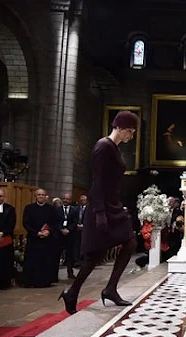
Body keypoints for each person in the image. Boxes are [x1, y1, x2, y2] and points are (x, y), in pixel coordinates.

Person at [59, 111, 139, 314]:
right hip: (101, 207)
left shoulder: (114, 148)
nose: (132, 135)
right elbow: (97, 181)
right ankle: (75, 292)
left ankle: (108, 289)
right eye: (130, 130)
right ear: (119, 127)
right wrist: (100, 212)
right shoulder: (103, 146)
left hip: (112, 205)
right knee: (96, 254)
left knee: (128, 243)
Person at [22, 188, 58, 287]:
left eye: (43, 195)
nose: (41, 196)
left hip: (47, 240)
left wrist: (48, 231)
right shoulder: (29, 208)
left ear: (46, 196)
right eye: (39, 195)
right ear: (35, 196)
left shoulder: (51, 209)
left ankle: (45, 281)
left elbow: (55, 223)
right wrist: (36, 233)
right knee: (32, 260)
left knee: (45, 261)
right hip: (33, 239)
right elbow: (26, 223)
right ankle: (31, 281)